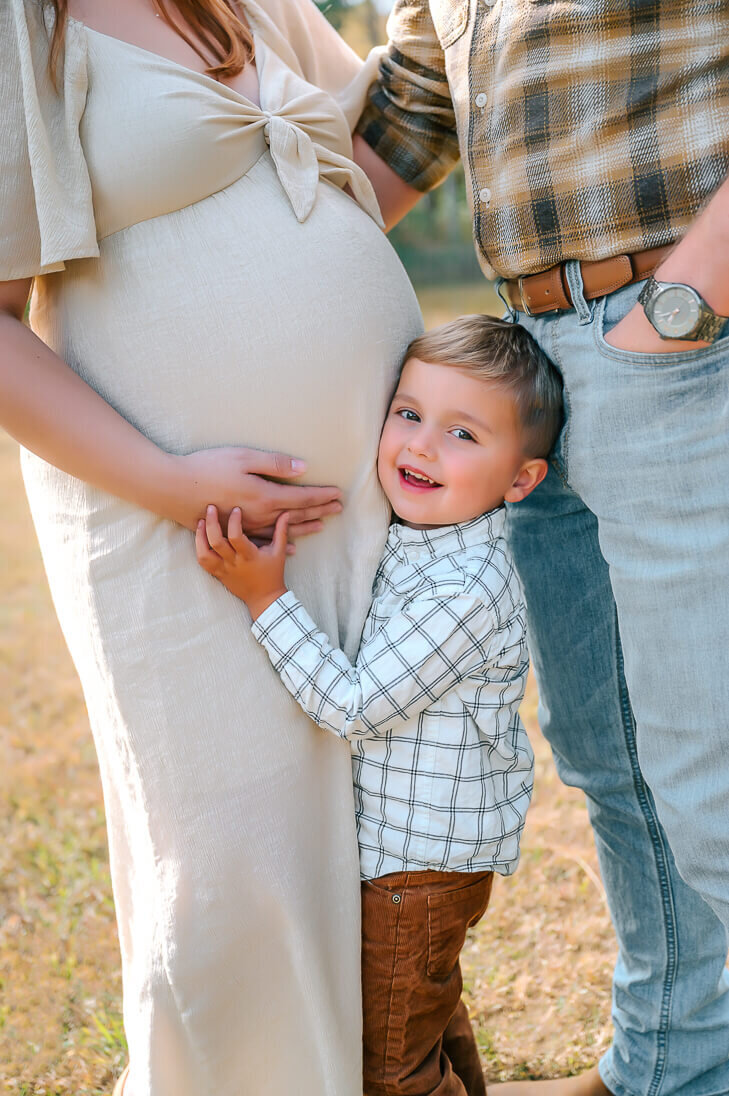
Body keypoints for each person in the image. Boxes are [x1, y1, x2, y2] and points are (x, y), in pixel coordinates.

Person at [0, 0, 423, 1092]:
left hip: (357, 498)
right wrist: (173, 483)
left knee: (369, 834)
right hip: (172, 513)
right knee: (232, 848)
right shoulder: (23, 27)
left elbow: (365, 164)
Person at [351, 2, 729, 1093]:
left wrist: (683, 304)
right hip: (534, 358)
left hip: (685, 332)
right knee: (609, 747)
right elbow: (410, 116)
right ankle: (672, 1060)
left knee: (709, 773)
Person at [195, 315, 564, 1096]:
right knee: (425, 1024)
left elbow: (358, 705)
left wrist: (265, 600)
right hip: (414, 862)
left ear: (520, 479)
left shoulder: (466, 588)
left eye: (462, 434)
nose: (421, 447)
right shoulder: (427, 542)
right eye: (408, 413)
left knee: (388, 1066)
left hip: (416, 870)